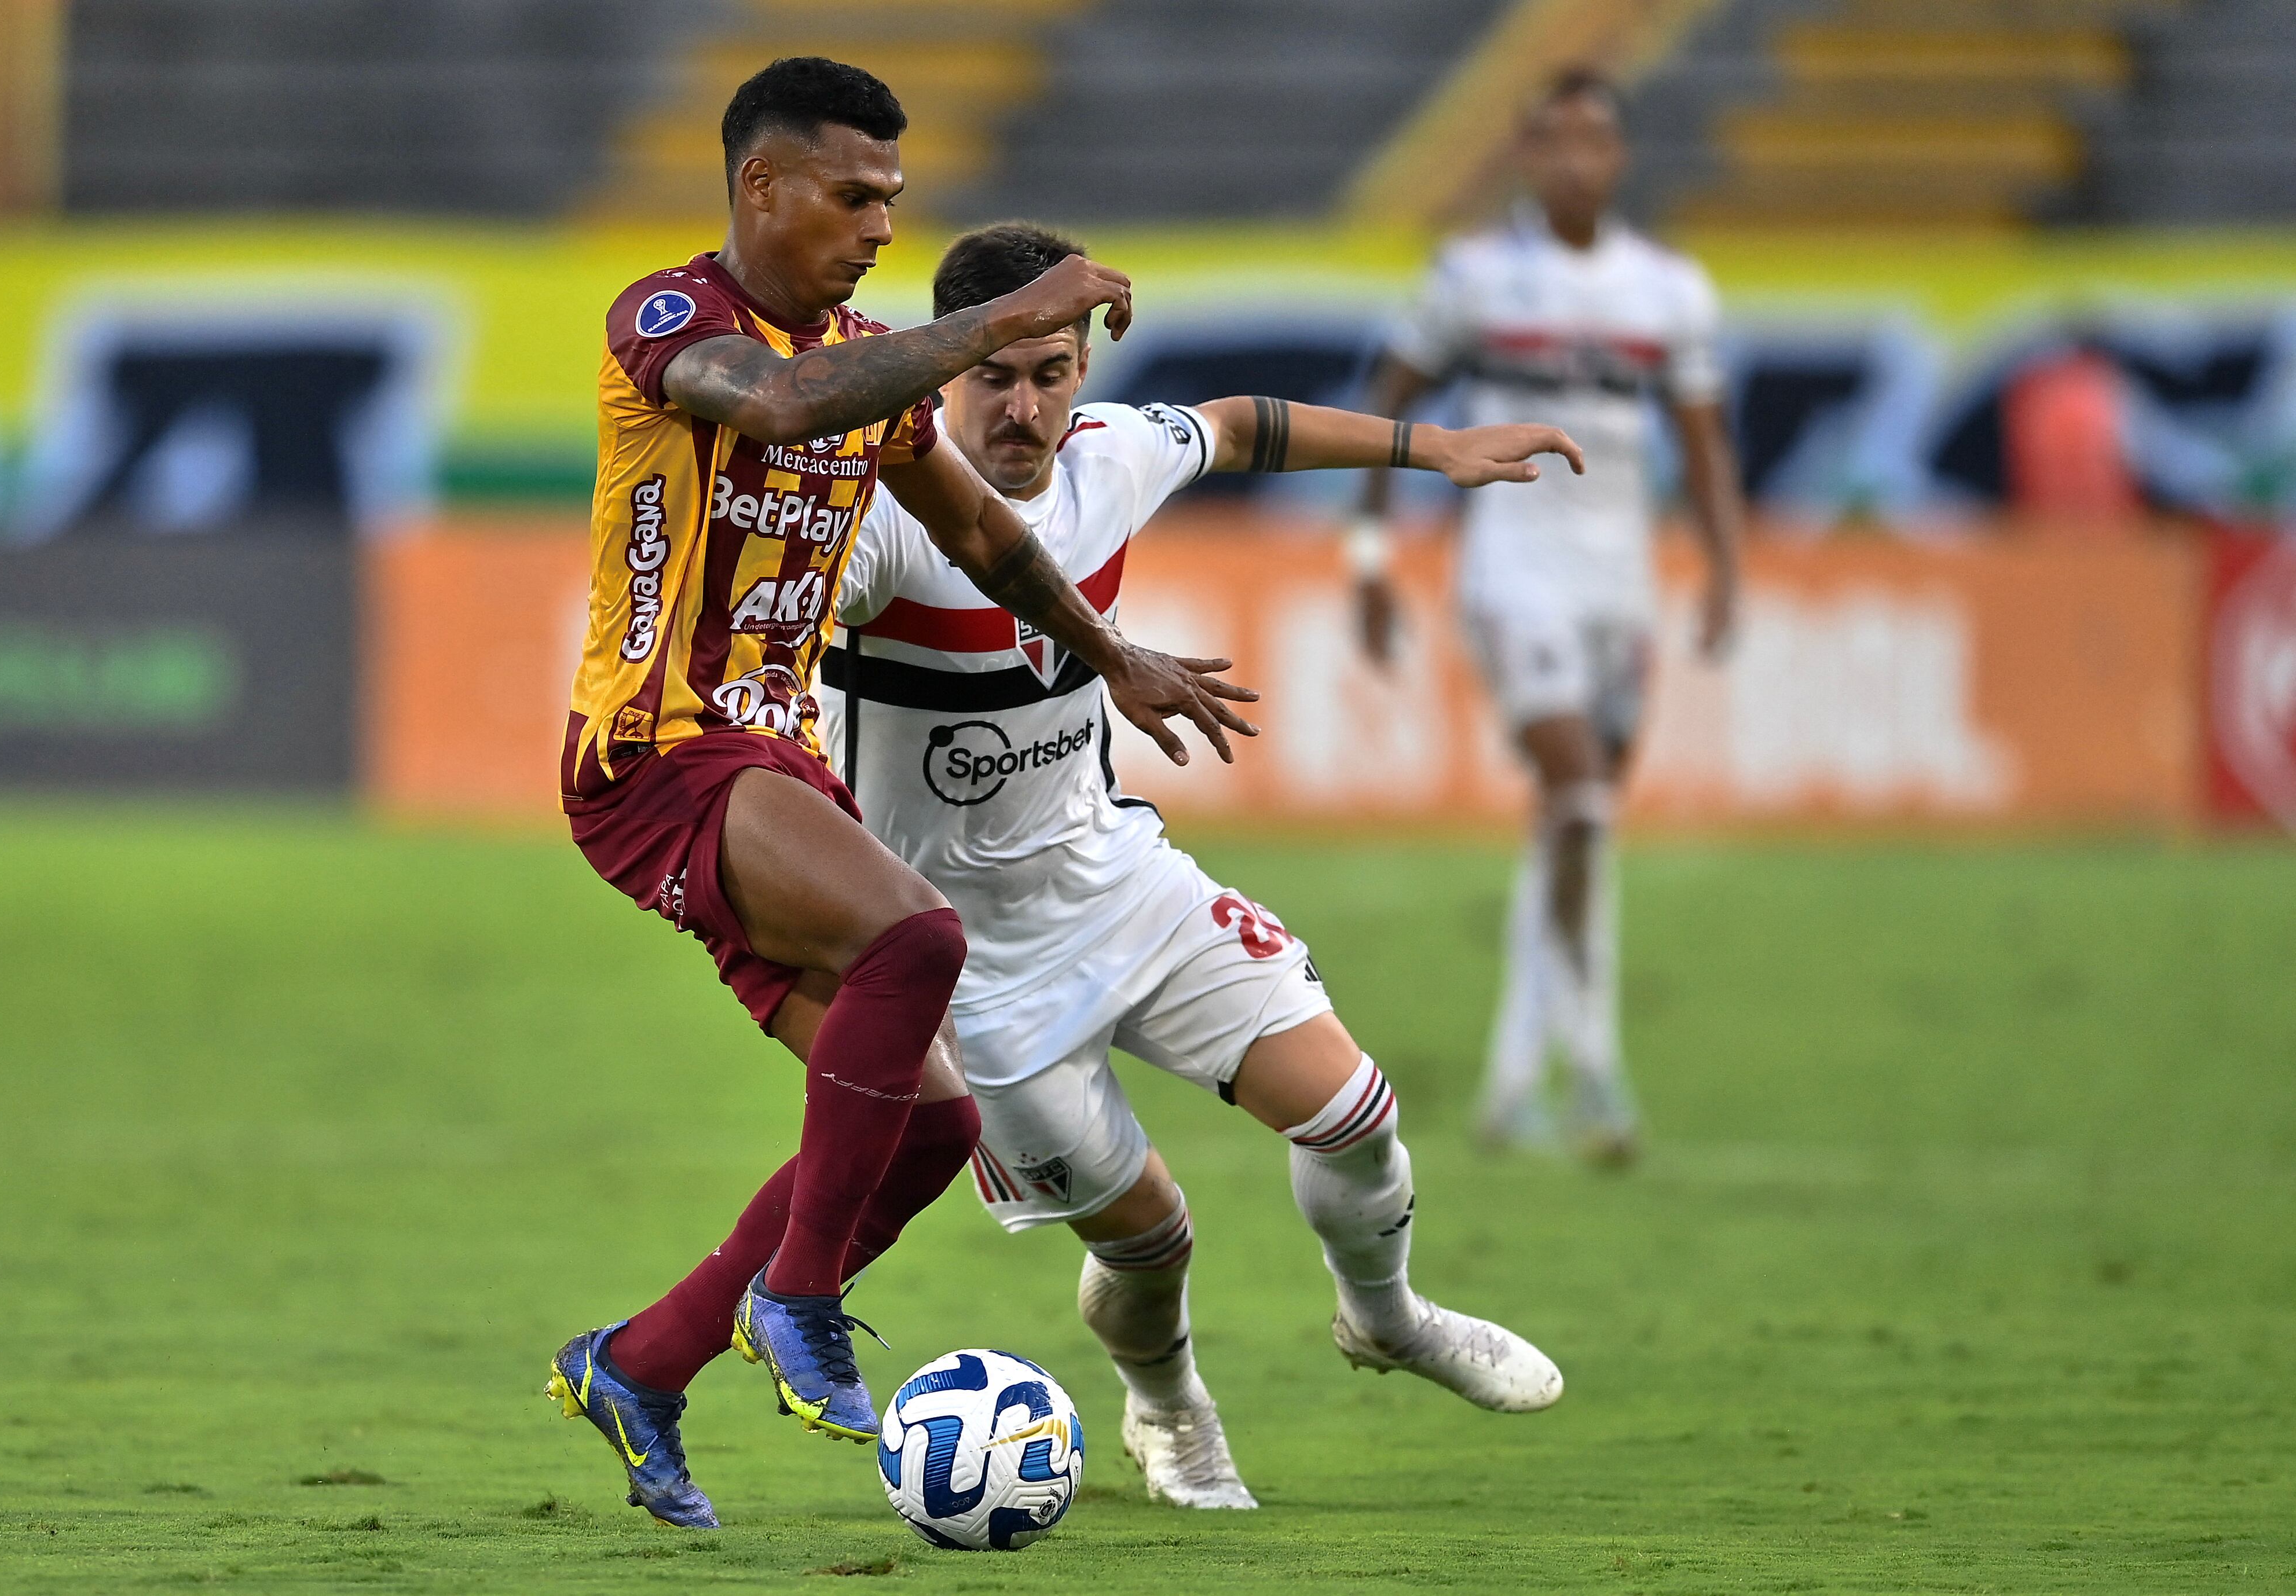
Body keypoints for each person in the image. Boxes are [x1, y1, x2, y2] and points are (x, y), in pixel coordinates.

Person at [544, 60, 1257, 1531]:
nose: (879, 223)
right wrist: (989, 324)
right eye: (855, 194)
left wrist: (1109, 654)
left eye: (893, 199)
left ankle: (642, 1362)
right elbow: (784, 402)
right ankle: (798, 1301)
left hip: (765, 766)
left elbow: (990, 542)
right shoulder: (671, 321)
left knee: (930, 1127)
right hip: (657, 754)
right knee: (918, 937)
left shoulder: (881, 362)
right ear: (761, 186)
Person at [819, 221, 1583, 1510]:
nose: (1022, 406)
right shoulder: (884, 525)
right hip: (966, 969)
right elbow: (761, 609)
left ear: (1079, 370)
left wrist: (1433, 448)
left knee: (1356, 1114)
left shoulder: (1108, 462)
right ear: (940, 370)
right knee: (1152, 1239)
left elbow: (1236, 426)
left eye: (1050, 373)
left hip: (1120, 882)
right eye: (993, 373)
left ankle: (1386, 1315)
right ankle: (1170, 1409)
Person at [1348, 68, 1743, 1163]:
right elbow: (1386, 402)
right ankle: (1597, 1069)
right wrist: (1372, 559)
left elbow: (1704, 442)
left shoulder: (1670, 289)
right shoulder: (1474, 277)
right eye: (1554, 141)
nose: (1576, 161)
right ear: (1527, 156)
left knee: (1578, 826)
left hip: (1622, 584)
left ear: (1617, 158)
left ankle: (1515, 1082)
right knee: (1577, 801)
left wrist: (1724, 567)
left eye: (1594, 142)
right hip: (1513, 571)